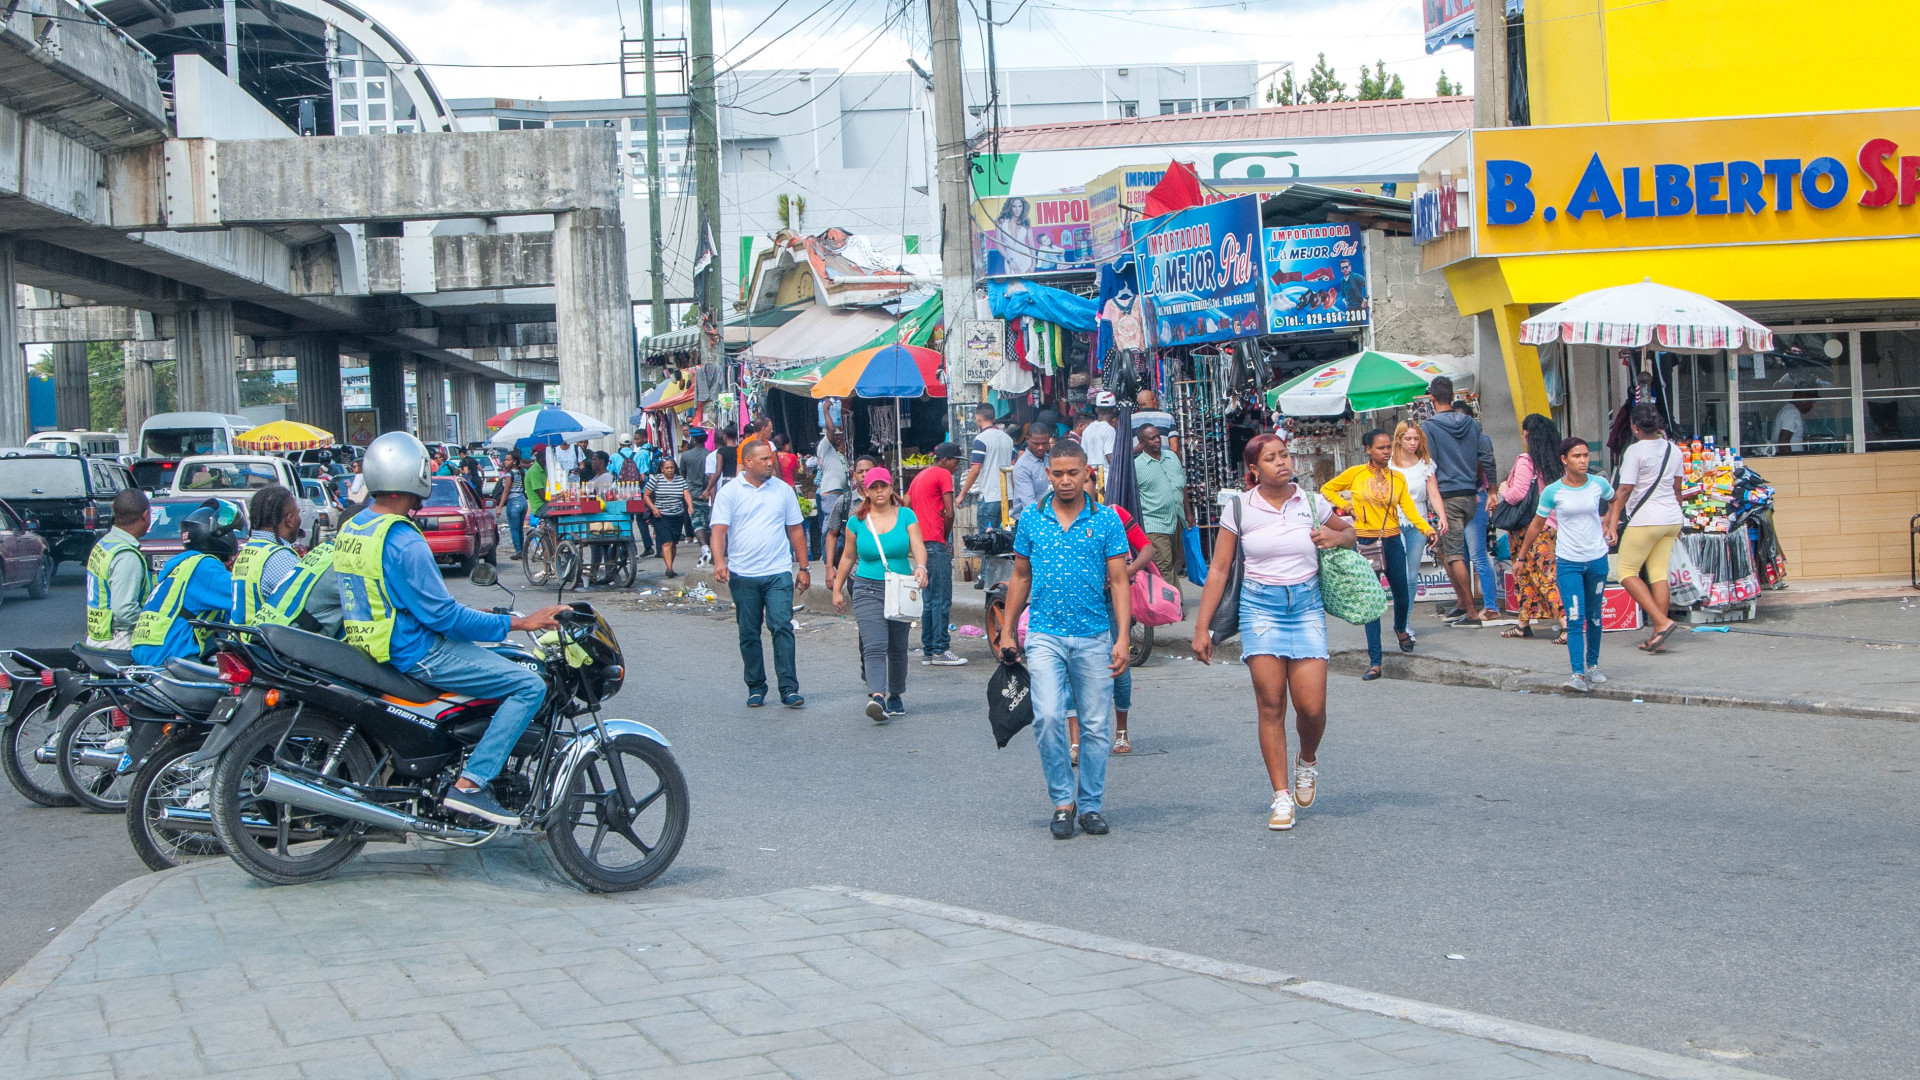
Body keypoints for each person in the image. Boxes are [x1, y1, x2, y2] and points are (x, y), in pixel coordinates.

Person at [334, 432, 567, 825]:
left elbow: (399, 598)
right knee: (529, 685)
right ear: (414, 474)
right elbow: (444, 619)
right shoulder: (402, 538)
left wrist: (468, 613)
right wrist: (520, 622)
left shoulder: (356, 527)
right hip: (416, 651)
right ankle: (471, 785)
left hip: (373, 647)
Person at [1191, 435, 1356, 831]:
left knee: (1312, 708)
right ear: (1254, 469)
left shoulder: (1311, 503)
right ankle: (1281, 797)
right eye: (1271, 458)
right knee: (1271, 705)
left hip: (1306, 607)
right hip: (1260, 610)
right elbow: (1219, 568)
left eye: (1284, 455)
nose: (1282, 462)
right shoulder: (1240, 508)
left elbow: (1350, 535)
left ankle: (1307, 760)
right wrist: (1202, 628)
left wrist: (1335, 537)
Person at [996, 440, 1132, 840]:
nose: (1066, 480)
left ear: (1088, 472)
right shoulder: (1031, 519)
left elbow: (1119, 581)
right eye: (1058, 473)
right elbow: (1021, 576)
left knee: (1095, 725)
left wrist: (1123, 638)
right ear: (1047, 475)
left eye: (1073, 472)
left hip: (1094, 636)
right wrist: (1008, 629)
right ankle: (1062, 801)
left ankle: (1090, 805)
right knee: (1049, 718)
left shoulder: (1106, 520)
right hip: (1045, 636)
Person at [1322, 430, 1437, 679]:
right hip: (1365, 542)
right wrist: (1347, 507)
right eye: (1381, 448)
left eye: (1388, 447)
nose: (1386, 452)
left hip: (1392, 541)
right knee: (1371, 602)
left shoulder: (1397, 478)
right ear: (1369, 450)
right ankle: (1375, 662)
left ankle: (1400, 628)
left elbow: (1409, 509)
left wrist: (1427, 529)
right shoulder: (1356, 474)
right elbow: (1327, 489)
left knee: (1402, 594)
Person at [712, 440, 812, 709]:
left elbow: (795, 530)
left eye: (770, 458)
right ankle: (756, 687)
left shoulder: (783, 490)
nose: (771, 463)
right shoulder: (730, 492)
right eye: (765, 459)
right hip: (743, 573)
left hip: (777, 571)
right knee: (748, 632)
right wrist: (719, 561)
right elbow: (719, 530)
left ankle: (789, 689)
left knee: (782, 627)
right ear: (748, 462)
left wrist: (803, 568)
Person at [1518, 437, 1616, 693]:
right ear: (1564, 460)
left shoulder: (1598, 484)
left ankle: (1593, 665)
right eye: (1576, 456)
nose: (1583, 461)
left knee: (1594, 616)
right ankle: (1577, 674)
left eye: (1585, 455)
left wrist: (1610, 524)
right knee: (1574, 617)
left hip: (1596, 559)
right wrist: (1521, 557)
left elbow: (1615, 500)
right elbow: (1537, 525)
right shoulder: (1553, 491)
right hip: (1569, 562)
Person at [1065, 481, 1154, 760]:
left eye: (1084, 478)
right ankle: (1076, 741)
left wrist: (1126, 571)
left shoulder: (1113, 515)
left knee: (1119, 665)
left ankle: (1122, 730)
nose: (1077, 484)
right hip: (1074, 603)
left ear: (1095, 485)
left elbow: (1147, 548)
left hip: (1110, 601)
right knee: (1071, 671)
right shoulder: (1056, 518)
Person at [831, 468, 929, 720]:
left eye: (883, 486)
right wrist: (837, 589)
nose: (879, 491)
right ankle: (877, 697)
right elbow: (848, 557)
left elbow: (918, 545)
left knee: (897, 647)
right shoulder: (856, 521)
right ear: (866, 491)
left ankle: (896, 694)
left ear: (890, 487)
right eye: (873, 488)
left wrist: (921, 567)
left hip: (900, 587)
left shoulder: (906, 515)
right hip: (866, 588)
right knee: (874, 645)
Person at [1606, 404, 1686, 654]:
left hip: (1646, 519)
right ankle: (1658, 637)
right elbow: (1677, 489)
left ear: (1635, 427)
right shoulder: (1673, 449)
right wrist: (1680, 519)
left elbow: (1624, 490)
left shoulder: (1635, 451)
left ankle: (1662, 622)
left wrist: (1612, 523)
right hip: (1672, 518)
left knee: (1626, 571)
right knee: (1658, 574)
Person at [1420, 376, 1497, 627]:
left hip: (1448, 497)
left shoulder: (1429, 427)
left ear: (1432, 399)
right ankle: (1463, 603)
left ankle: (1472, 612)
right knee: (1445, 550)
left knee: (1454, 555)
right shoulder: (1471, 424)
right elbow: (1487, 457)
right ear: (1453, 397)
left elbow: (1429, 464)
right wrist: (1492, 490)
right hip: (1471, 495)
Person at [131, 500, 242, 667]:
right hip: (169, 651)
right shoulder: (205, 567)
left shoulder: (182, 566)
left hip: (149, 646)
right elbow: (244, 596)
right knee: (227, 682)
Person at [1499, 414, 1568, 643]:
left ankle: (1567, 625)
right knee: (1526, 574)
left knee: (1543, 574)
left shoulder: (1526, 460)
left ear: (1528, 435)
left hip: (1528, 526)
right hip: (1551, 524)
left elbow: (1517, 494)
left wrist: (1503, 490)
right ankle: (1523, 624)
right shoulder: (1556, 460)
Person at [908, 442, 965, 666]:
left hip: (920, 543)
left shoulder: (919, 477)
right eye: (955, 462)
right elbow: (950, 513)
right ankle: (941, 649)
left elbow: (905, 504)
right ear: (944, 460)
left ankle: (929, 650)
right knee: (942, 598)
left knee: (929, 599)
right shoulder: (943, 474)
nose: (957, 466)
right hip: (935, 540)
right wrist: (946, 537)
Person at [1388, 421, 1449, 630]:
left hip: (1418, 520)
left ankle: (1405, 621)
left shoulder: (1425, 464)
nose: (1413, 443)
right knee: (1401, 573)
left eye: (1416, 438)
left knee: (1412, 575)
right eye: (1408, 439)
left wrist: (1442, 516)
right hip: (1394, 521)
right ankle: (1401, 619)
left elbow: (1434, 493)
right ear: (1399, 439)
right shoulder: (1389, 464)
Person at [84, 489, 155, 651]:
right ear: (145, 516)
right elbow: (125, 612)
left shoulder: (106, 544)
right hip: (119, 641)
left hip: (99, 636)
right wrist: (155, 625)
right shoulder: (126, 556)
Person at [230, 485, 310, 626]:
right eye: (297, 513)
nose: (299, 518)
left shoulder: (249, 551)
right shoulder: (279, 558)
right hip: (264, 638)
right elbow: (310, 604)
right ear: (289, 520)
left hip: (242, 636)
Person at [1133, 424, 1187, 579]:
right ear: (1141, 442)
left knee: (1174, 563)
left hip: (1176, 519)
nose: (1157, 440)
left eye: (1158, 436)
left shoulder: (1172, 457)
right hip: (1154, 522)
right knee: (1163, 566)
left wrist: (1188, 513)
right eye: (1152, 438)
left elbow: (1182, 485)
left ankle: (1172, 594)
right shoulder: (1137, 466)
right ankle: (1170, 595)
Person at [823, 455, 877, 590]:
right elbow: (832, 534)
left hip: (885, 572)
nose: (864, 475)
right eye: (860, 472)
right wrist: (829, 567)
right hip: (856, 573)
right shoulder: (844, 502)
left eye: (868, 471)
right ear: (854, 475)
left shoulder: (886, 501)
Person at [961, 404, 1016, 529]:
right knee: (1003, 536)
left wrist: (962, 494)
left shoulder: (981, 439)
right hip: (1007, 496)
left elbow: (975, 469)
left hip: (989, 496)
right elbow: (1013, 465)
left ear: (978, 418)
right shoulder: (1007, 439)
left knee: (986, 538)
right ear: (994, 417)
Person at [643, 457, 692, 578]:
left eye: (672, 467)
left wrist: (690, 506)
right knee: (667, 542)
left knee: (673, 543)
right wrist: (654, 509)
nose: (670, 470)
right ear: (662, 469)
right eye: (667, 468)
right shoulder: (656, 479)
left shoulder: (680, 480)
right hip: (661, 516)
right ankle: (669, 569)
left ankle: (671, 566)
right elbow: (646, 495)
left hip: (677, 515)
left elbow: (686, 493)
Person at [678, 433, 712, 565]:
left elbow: (683, 475)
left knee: (697, 523)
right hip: (708, 492)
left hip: (692, 494)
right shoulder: (710, 454)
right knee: (708, 524)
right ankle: (708, 549)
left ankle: (705, 548)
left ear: (693, 439)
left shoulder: (686, 456)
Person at [1007, 422, 1053, 522]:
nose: (1041, 447)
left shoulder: (1051, 460)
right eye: (1036, 444)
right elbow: (1029, 503)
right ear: (1027, 439)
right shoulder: (1022, 466)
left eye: (1044, 443)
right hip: (1031, 521)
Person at [816, 421, 850, 553]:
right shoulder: (824, 448)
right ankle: (827, 554)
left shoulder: (838, 456)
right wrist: (826, 411)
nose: (838, 438)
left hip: (839, 494)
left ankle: (836, 554)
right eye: (836, 435)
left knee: (838, 526)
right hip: (830, 494)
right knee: (830, 526)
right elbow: (830, 430)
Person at [496, 450, 529, 559]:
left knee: (514, 529)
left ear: (514, 461)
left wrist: (499, 508)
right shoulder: (520, 472)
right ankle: (522, 551)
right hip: (522, 501)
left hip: (513, 502)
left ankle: (519, 552)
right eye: (505, 460)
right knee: (519, 529)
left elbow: (506, 492)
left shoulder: (509, 475)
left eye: (508, 460)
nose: (506, 462)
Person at [1082, 391, 1118, 473]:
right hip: (1105, 475)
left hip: (1090, 475)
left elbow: (1083, 456)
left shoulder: (1087, 430)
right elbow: (1110, 458)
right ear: (1114, 410)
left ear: (1096, 409)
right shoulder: (1109, 430)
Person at [1775, 389, 1815, 453]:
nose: (1811, 406)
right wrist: (1791, 459)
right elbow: (1783, 442)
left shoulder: (1790, 410)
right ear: (1802, 397)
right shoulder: (1791, 413)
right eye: (1811, 402)